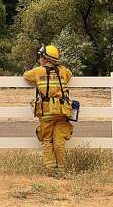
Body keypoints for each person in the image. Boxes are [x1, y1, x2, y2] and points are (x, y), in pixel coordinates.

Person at [23, 44, 74, 177]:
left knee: (47, 140)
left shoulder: (37, 71)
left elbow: (26, 76)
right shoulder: (63, 71)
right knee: (59, 141)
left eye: (40, 57)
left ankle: (50, 171)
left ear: (45, 59)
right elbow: (69, 74)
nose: (39, 59)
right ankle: (61, 170)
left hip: (46, 113)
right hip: (62, 112)